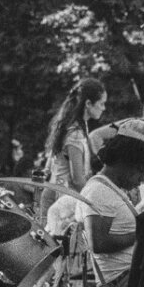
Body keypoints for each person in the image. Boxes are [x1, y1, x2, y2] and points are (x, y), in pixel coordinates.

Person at [82, 119, 144, 287]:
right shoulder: (98, 192)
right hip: (121, 281)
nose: (142, 179)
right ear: (128, 160)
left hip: (131, 275)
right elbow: (98, 243)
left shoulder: (111, 189)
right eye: (142, 171)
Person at [43, 77, 107, 216]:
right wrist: (96, 203)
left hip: (58, 196)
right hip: (62, 203)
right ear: (88, 103)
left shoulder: (72, 126)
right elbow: (77, 180)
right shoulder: (75, 134)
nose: (104, 108)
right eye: (101, 104)